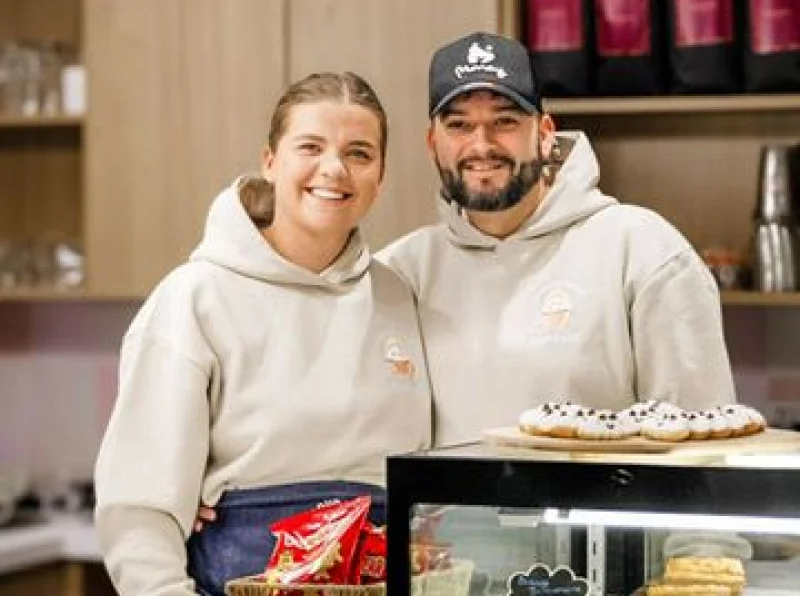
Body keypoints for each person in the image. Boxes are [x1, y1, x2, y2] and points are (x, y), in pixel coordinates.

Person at [93, 71, 431, 596]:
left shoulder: (399, 297)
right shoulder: (193, 299)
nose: (334, 169)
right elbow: (140, 506)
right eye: (310, 147)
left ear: (381, 175)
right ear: (270, 162)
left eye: (359, 153)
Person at [378, 31, 737, 447]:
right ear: (432, 143)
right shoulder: (402, 272)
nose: (481, 144)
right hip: (450, 514)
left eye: (505, 121)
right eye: (459, 125)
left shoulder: (641, 249)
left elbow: (701, 446)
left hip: (604, 513)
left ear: (545, 133)